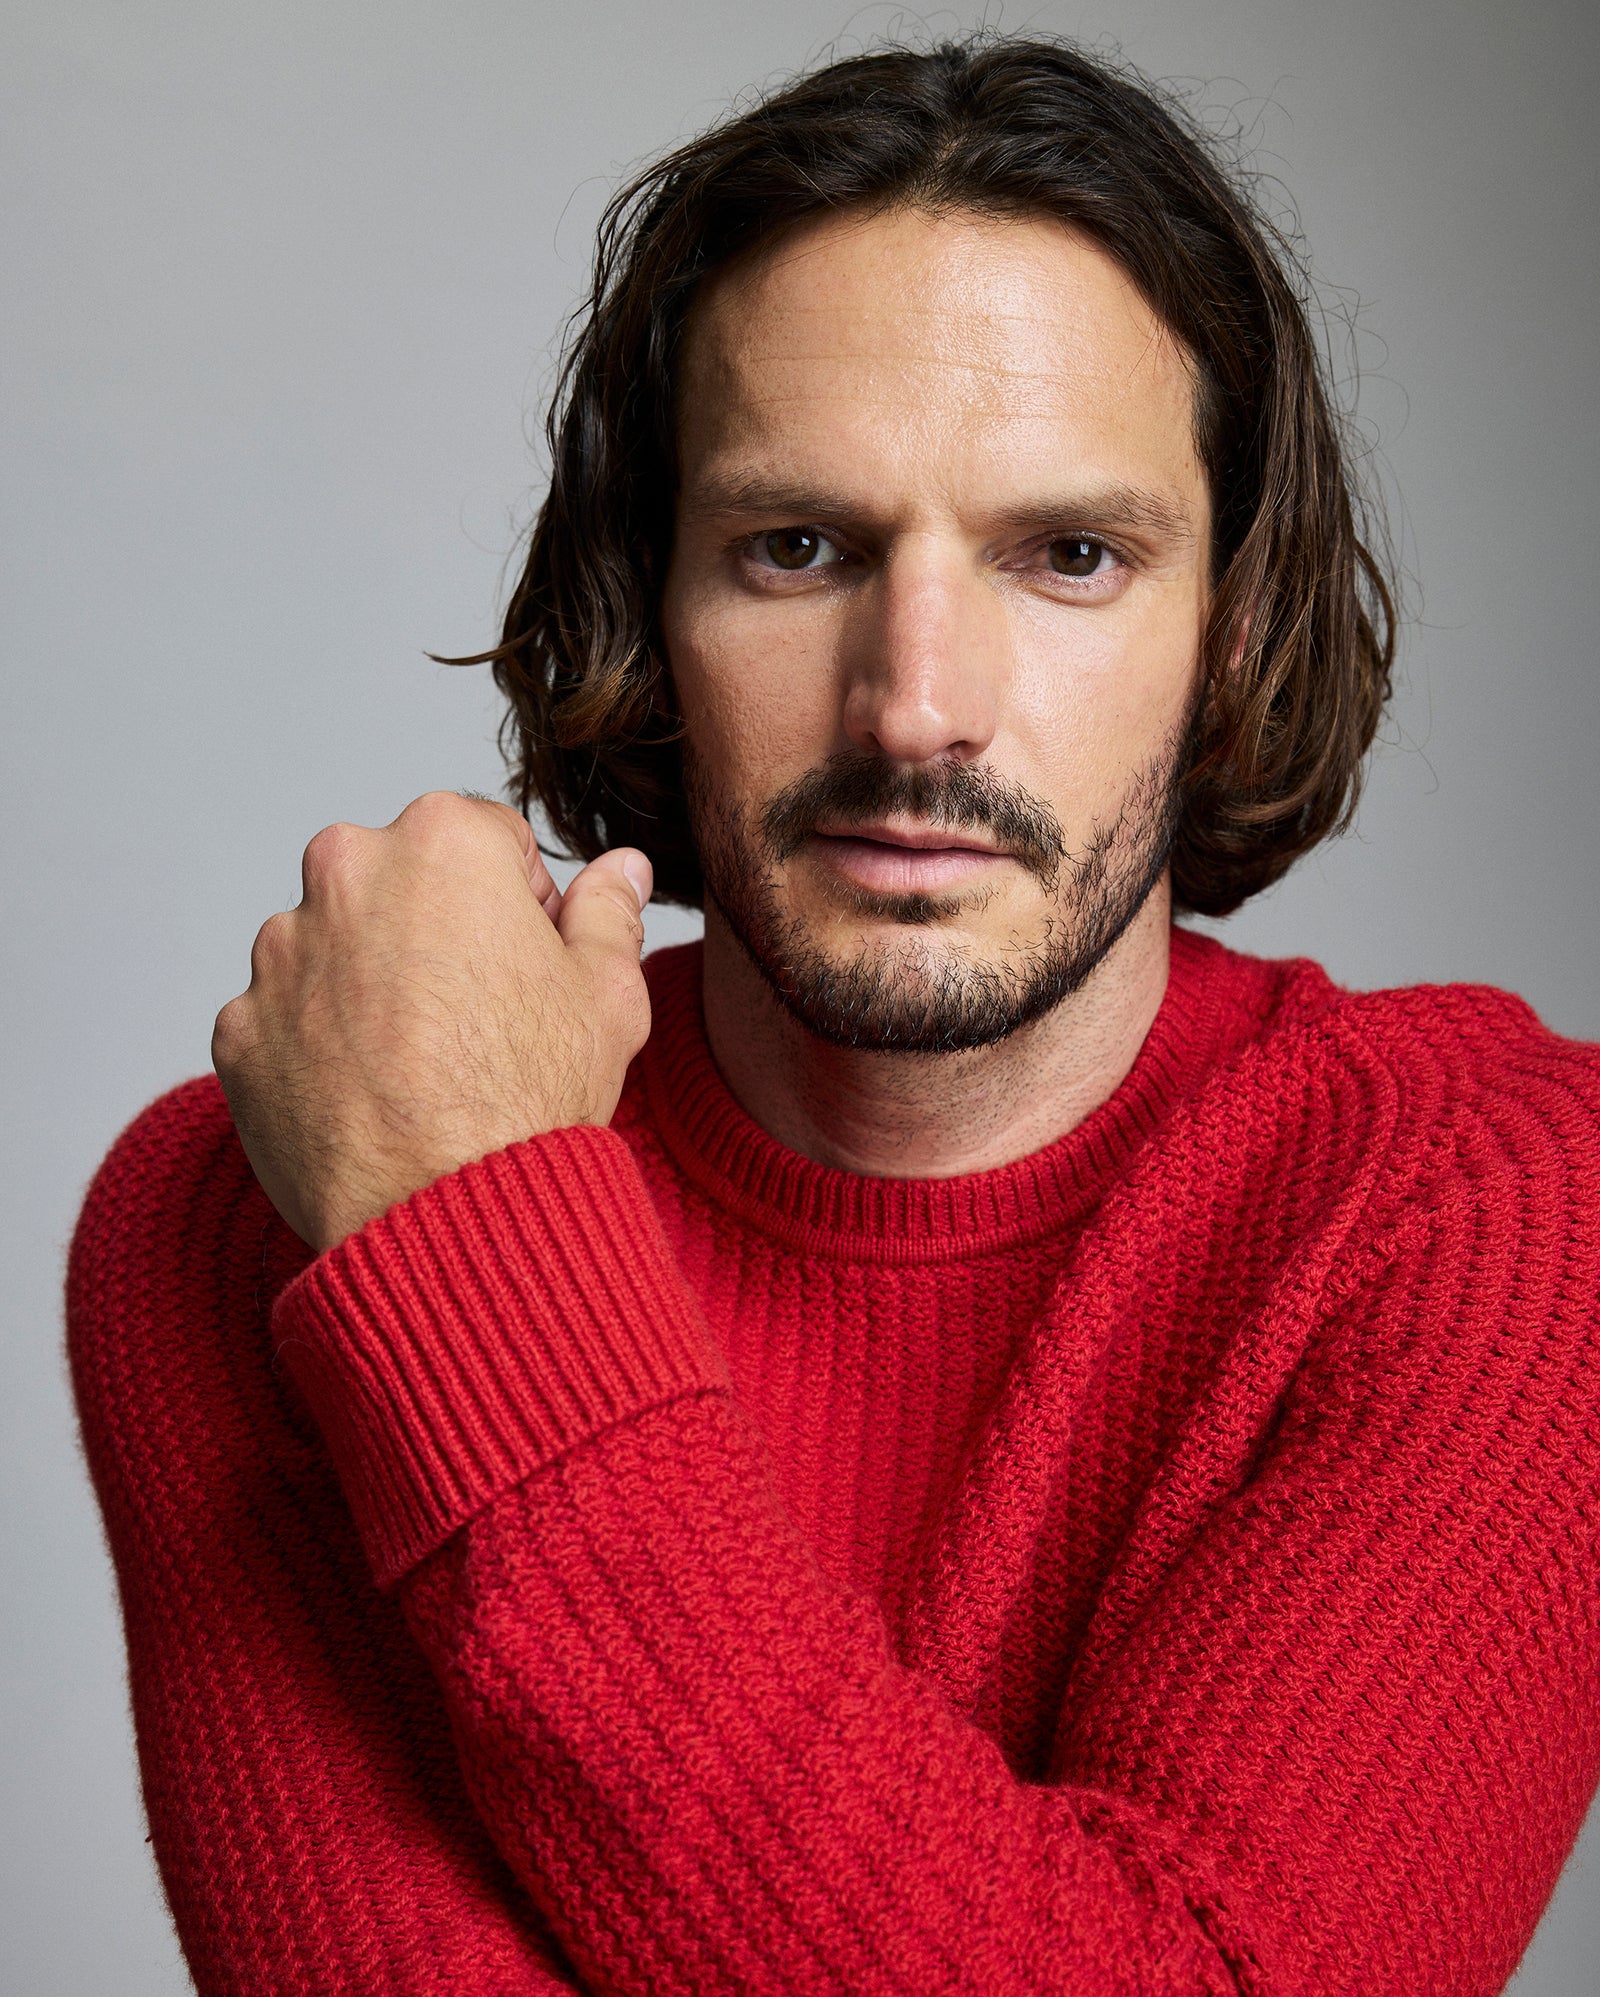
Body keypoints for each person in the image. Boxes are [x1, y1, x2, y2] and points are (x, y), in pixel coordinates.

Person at [67, 34, 1599, 1997]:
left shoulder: (1497, 1207)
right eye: (796, 548)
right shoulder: (246, 1206)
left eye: (1067, 556)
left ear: (1227, 625)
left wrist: (463, 1233)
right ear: (649, 596)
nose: (913, 702)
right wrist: (426, 1207)